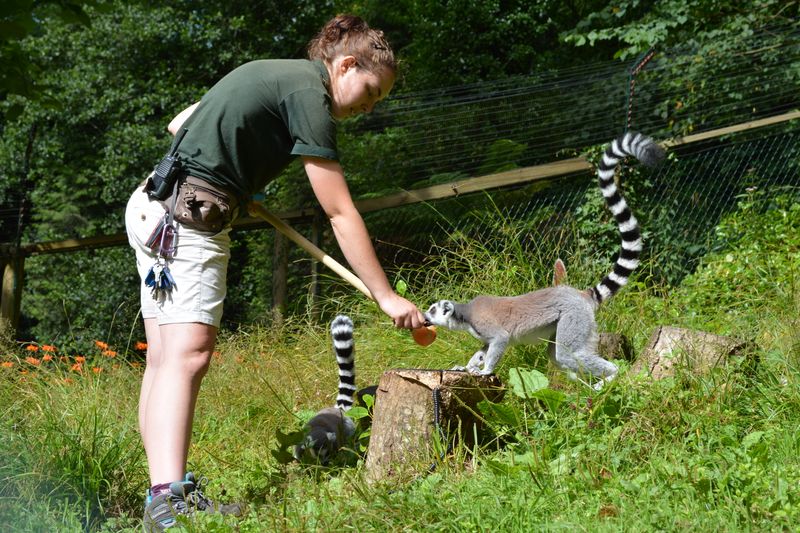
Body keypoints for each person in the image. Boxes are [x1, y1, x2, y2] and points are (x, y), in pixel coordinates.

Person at [125, 14, 425, 530]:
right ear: (346, 64)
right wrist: (386, 295)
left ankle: (162, 494)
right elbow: (339, 211)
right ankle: (168, 505)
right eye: (371, 91)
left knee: (166, 361)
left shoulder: (278, 75)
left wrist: (241, 180)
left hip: (155, 208)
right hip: (185, 223)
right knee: (188, 357)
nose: (370, 106)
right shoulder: (312, 94)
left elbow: (181, 121)